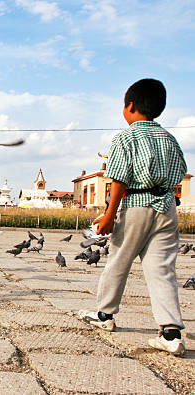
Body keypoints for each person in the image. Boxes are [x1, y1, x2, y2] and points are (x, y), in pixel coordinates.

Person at [78, 79, 187, 356]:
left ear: (130, 106)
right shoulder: (169, 138)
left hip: (136, 203)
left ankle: (105, 315)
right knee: (162, 269)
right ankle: (171, 332)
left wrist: (108, 215)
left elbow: (118, 179)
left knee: (119, 260)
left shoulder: (126, 137)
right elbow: (180, 172)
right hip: (166, 207)